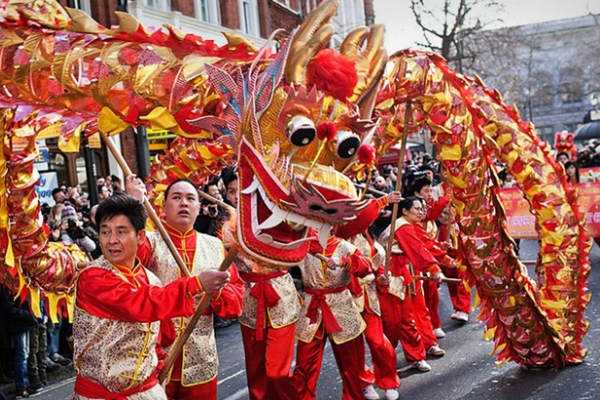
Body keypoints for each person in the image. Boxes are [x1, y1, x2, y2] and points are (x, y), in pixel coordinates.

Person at [72, 195, 230, 400]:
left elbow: (160, 337)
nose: (112, 240)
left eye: (121, 232)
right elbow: (137, 303)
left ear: (140, 237)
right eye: (105, 232)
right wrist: (196, 284)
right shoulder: (92, 277)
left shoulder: (151, 279)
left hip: (147, 392)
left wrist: (158, 366)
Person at [132, 178, 244, 400]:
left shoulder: (215, 246)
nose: (184, 203)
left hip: (201, 360)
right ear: (163, 207)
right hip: (154, 358)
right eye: (176, 198)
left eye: (190, 198)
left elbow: (236, 301)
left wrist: (216, 291)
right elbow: (129, 270)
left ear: (199, 207)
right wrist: (135, 206)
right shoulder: (149, 242)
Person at [294, 235, 372, 400]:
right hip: (311, 308)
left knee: (351, 364)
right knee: (304, 365)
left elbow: (365, 267)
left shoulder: (344, 246)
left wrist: (344, 262)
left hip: (341, 306)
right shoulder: (302, 244)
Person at [377, 197, 446, 372]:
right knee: (392, 322)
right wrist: (433, 268)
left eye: (422, 208)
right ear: (405, 211)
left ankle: (416, 355)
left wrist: (439, 259)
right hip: (388, 276)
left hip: (404, 274)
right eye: (416, 208)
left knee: (408, 317)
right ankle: (385, 357)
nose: (421, 211)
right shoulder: (402, 226)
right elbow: (417, 248)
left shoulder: (408, 224)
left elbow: (423, 245)